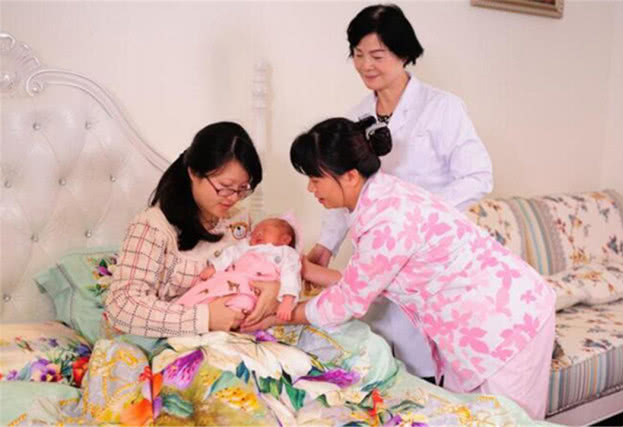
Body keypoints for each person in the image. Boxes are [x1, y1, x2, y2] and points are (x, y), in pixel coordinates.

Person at [244, 116, 555, 420]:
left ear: (350, 176)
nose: (311, 189)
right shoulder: (380, 198)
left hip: (508, 323)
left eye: (315, 179)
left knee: (508, 419)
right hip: (479, 322)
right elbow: (365, 281)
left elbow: (349, 301)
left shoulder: (387, 220)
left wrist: (283, 314)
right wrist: (308, 271)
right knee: (470, 416)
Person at [306, 3, 493, 380]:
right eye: (358, 55)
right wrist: (326, 245)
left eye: (377, 55)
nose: (366, 65)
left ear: (404, 53)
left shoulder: (442, 108)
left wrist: (420, 219)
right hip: (379, 256)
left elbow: (477, 176)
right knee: (382, 368)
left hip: (430, 261)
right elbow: (346, 187)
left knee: (429, 373)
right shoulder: (357, 117)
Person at [104, 122, 281, 337]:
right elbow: (123, 305)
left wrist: (274, 288)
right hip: (171, 340)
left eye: (242, 189)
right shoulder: (153, 226)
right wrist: (206, 318)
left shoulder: (239, 220)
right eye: (225, 187)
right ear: (194, 173)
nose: (234, 198)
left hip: (234, 335)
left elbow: (260, 264)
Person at [174, 216, 302, 321]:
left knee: (244, 304)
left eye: (265, 230)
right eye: (255, 230)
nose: (257, 232)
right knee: (206, 288)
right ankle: (186, 311)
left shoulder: (286, 253)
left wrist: (288, 299)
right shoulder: (246, 246)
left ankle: (228, 317)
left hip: (253, 288)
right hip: (231, 279)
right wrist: (214, 267)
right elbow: (230, 254)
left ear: (285, 239)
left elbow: (291, 275)